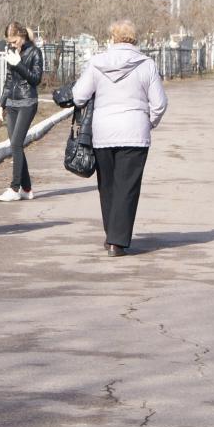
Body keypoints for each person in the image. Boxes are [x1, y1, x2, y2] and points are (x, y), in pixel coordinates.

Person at [71, 20, 168, 257]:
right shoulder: (146, 65)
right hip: (135, 132)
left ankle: (111, 235)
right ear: (134, 39)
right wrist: (149, 121)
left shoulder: (97, 62)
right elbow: (159, 103)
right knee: (127, 187)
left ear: (113, 38)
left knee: (107, 186)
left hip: (103, 131)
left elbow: (78, 95)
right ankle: (117, 240)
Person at [0, 22, 44, 202]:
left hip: (27, 102)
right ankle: (27, 188)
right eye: (10, 42)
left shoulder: (35, 52)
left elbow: (36, 79)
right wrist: (0, 106)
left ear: (22, 36)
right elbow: (8, 82)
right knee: (16, 146)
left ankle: (15, 188)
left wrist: (19, 64)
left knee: (15, 144)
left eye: (14, 41)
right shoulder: (12, 52)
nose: (12, 45)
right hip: (12, 104)